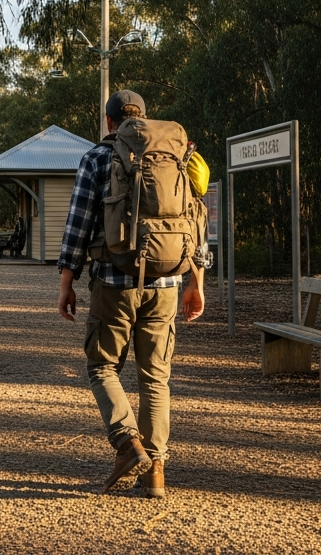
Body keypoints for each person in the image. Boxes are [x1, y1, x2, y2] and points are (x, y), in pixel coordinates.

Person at [56, 89, 205, 498]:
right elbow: (196, 221)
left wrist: (66, 282)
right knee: (155, 377)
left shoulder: (97, 157)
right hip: (167, 283)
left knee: (102, 367)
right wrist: (197, 282)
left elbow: (78, 223)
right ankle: (155, 471)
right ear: (142, 118)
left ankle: (127, 444)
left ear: (110, 122)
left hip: (113, 280)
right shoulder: (176, 156)